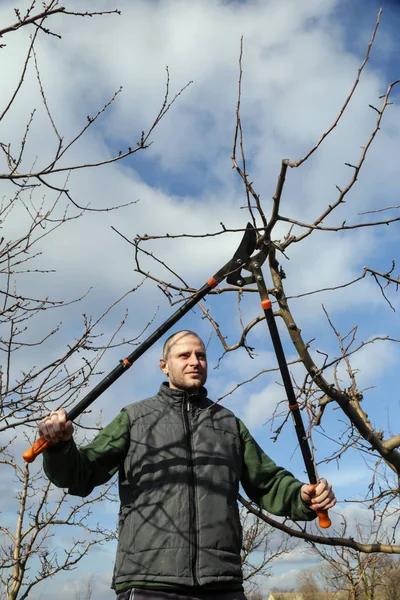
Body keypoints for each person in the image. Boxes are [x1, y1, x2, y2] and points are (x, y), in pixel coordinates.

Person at [40, 330, 336, 600]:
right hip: (150, 585)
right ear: (164, 365)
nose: (195, 361)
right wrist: (60, 447)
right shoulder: (134, 418)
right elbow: (81, 473)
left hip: (223, 585)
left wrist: (302, 496)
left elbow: (268, 482)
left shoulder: (229, 424)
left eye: (201, 355)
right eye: (184, 355)